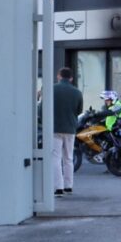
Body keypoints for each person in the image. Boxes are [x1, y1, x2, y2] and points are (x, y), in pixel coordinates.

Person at [52, 67, 83, 197]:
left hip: (54, 128)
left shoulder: (51, 89)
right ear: (71, 78)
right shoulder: (77, 92)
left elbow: (42, 108)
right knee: (69, 158)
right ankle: (68, 186)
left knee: (55, 158)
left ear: (59, 76)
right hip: (70, 129)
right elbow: (79, 110)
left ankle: (58, 188)